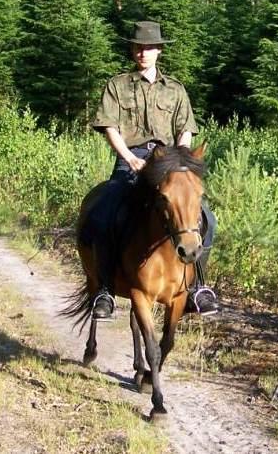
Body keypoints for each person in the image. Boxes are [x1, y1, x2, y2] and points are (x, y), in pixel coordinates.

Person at [89, 20, 219, 321]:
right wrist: (129, 158)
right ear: (132, 50)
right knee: (104, 211)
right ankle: (105, 289)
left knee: (206, 218)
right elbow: (109, 126)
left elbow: (185, 130)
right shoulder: (117, 85)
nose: (142, 52)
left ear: (159, 50)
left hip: (168, 163)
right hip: (131, 159)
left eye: (148, 47)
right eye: (138, 47)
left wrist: (179, 160)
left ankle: (197, 287)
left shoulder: (175, 89)